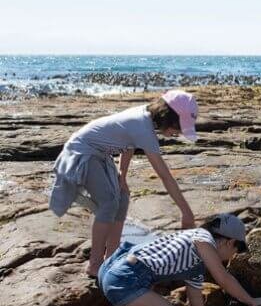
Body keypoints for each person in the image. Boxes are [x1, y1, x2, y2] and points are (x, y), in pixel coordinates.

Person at [50, 90, 199, 277]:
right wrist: (186, 212)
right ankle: (94, 265)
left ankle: (111, 257)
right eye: (178, 127)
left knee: (122, 198)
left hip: (100, 154)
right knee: (109, 203)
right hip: (83, 152)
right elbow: (165, 176)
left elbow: (128, 145)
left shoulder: (145, 118)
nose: (178, 133)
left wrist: (123, 175)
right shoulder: (143, 127)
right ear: (168, 116)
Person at [98, 213, 261, 306]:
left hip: (117, 270)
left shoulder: (195, 266)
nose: (232, 257)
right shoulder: (202, 238)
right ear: (229, 242)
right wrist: (252, 301)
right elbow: (223, 278)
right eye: (236, 251)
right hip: (124, 277)